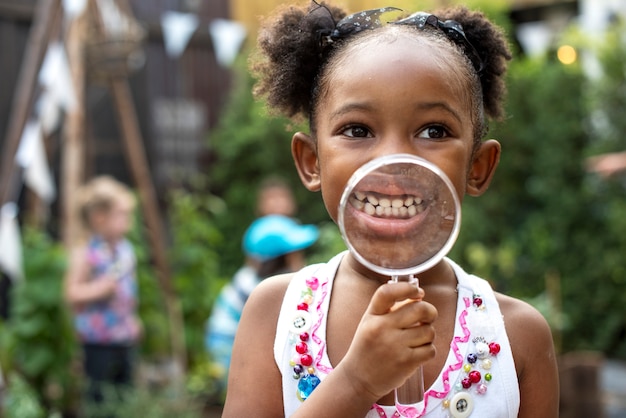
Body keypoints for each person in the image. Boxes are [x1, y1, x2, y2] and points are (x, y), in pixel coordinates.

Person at [223, 2, 559, 418]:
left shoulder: (518, 337)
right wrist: (356, 382)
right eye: (357, 130)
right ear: (312, 162)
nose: (395, 159)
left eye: (433, 131)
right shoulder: (274, 313)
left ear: (477, 167)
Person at [205, 214, 319, 398]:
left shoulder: (253, 278)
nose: (301, 260)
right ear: (278, 260)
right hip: (227, 344)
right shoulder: (257, 287)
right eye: (295, 255)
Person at [64, 176, 141, 405]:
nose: (128, 220)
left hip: (124, 337)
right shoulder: (87, 252)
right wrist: (99, 289)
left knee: (124, 395)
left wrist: (134, 319)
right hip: (97, 340)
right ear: (99, 217)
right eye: (122, 214)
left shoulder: (126, 250)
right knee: (99, 396)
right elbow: (71, 292)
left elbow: (130, 292)